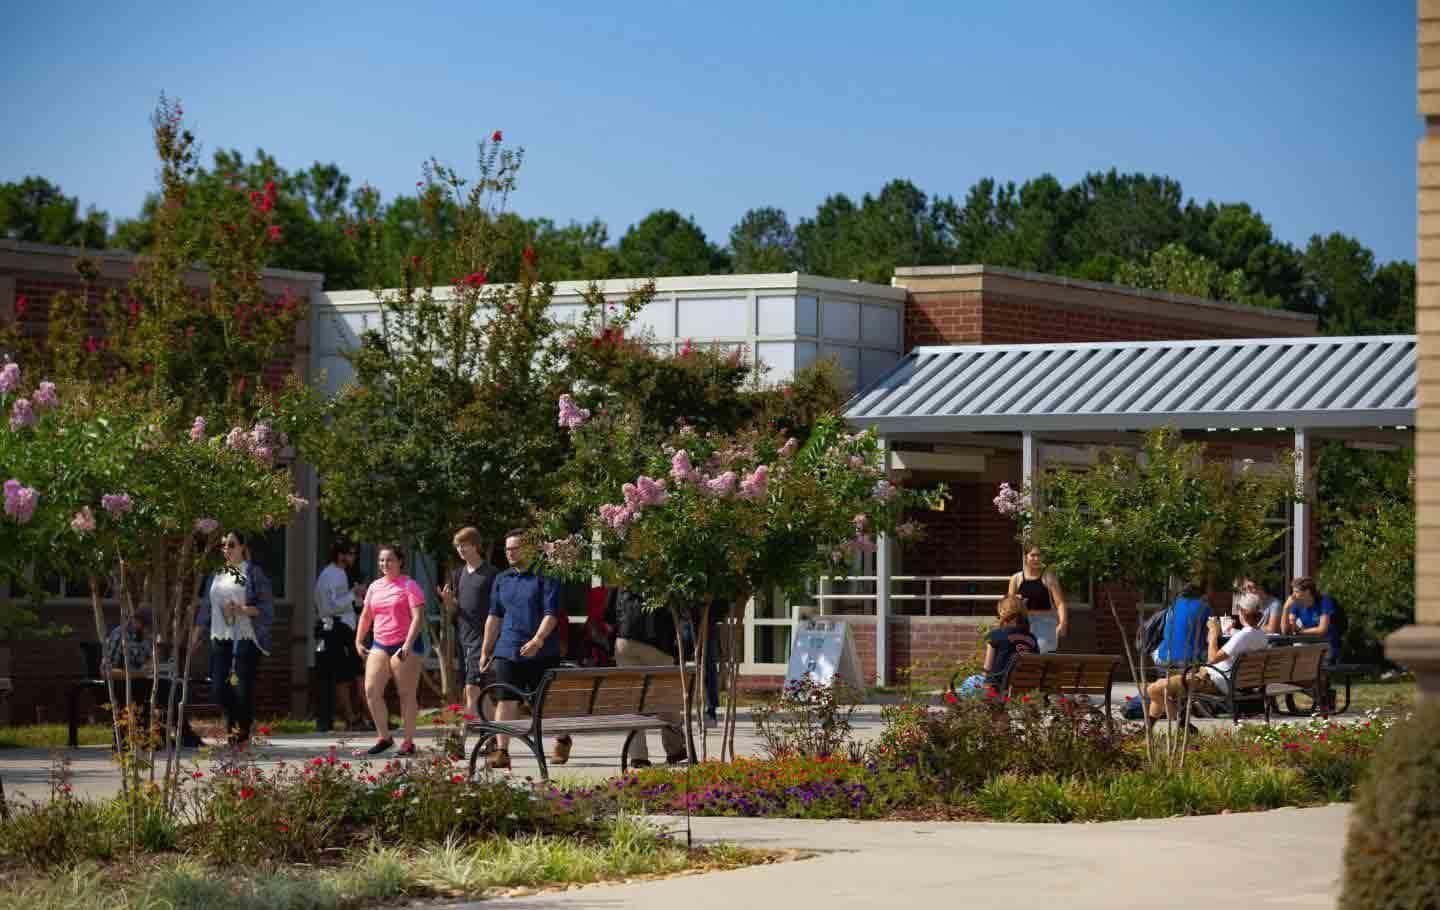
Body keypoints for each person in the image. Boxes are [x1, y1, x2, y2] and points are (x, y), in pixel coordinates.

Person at [477, 530, 573, 770]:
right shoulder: (502, 579)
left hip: (542, 652)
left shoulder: (546, 576)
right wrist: (486, 650)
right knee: (505, 700)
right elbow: (494, 616)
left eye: (515, 548)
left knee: (546, 703)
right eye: (507, 549)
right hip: (508, 650)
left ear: (529, 549)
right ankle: (502, 751)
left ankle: (562, 738)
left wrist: (538, 640)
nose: (510, 553)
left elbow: (551, 615)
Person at [191, 530, 274, 748]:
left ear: (242, 548)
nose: (226, 549)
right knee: (219, 688)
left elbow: (267, 609)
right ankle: (240, 723)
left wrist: (242, 609)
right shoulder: (217, 574)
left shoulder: (253, 573)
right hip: (220, 635)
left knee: (239, 685)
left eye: (231, 544)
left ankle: (239, 734)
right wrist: (196, 636)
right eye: (223, 545)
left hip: (246, 636)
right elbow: (206, 609)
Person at [1147, 592, 1269, 728]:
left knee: (1154, 689)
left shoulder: (1242, 637)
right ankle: (1147, 731)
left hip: (1213, 681)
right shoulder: (1261, 636)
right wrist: (1229, 632)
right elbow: (1242, 640)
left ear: (1243, 612)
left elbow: (1212, 659)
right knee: (1160, 685)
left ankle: (1183, 725)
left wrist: (1212, 635)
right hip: (1233, 681)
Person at [355, 544, 426, 756]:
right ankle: (385, 737)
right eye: (381, 561)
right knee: (371, 691)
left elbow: (418, 618)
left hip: (405, 644)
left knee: (406, 694)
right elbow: (366, 615)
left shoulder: (409, 585)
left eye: (389, 560)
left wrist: (407, 645)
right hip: (380, 643)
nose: (385, 564)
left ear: (400, 562)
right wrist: (358, 640)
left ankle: (408, 742)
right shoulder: (375, 587)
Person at [605, 587, 686, 767]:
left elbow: (609, 615)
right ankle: (675, 749)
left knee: (633, 699)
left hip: (626, 641)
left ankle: (638, 756)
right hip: (658, 642)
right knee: (665, 697)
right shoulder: (666, 578)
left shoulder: (625, 577)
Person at [104, 608, 204, 748]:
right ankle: (140, 736)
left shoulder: (144, 637)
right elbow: (106, 671)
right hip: (119, 684)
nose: (148, 631)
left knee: (169, 688)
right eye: (146, 627)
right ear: (136, 621)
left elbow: (147, 663)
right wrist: (137, 673)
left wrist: (153, 661)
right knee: (145, 689)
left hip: (139, 681)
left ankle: (182, 734)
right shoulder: (119, 635)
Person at [438, 527, 499, 720]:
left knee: (472, 689)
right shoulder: (458, 574)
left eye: (464, 545)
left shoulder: (491, 574)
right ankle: (490, 735)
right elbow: (455, 611)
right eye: (457, 546)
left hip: (482, 639)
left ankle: (461, 738)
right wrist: (448, 602)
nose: (460, 549)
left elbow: (498, 610)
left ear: (475, 546)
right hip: (463, 639)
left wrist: (490, 644)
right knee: (477, 691)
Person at [313, 540, 366, 733]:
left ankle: (362, 716)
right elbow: (329, 607)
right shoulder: (328, 575)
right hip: (333, 629)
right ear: (339, 554)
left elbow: (351, 604)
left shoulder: (344, 573)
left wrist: (358, 597)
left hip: (347, 628)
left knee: (354, 673)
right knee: (334, 675)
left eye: (354, 553)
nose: (353, 558)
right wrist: (353, 595)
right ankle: (332, 720)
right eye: (349, 553)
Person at [1007, 545, 1068, 652]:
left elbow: (1060, 603)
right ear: (1025, 557)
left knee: (1043, 658)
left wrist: (1062, 623)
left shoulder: (1049, 577)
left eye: (1039, 555)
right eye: (1033, 555)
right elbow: (1009, 605)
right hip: (1023, 624)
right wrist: (1017, 601)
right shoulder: (1016, 578)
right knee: (1022, 659)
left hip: (1045, 623)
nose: (1036, 559)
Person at [1283, 576, 1343, 666]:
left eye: (1296, 592)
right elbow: (1285, 631)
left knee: (1317, 672)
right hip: (1310, 643)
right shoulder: (1297, 603)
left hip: (1327, 644)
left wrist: (1301, 631)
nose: (1293, 595)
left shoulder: (1324, 601)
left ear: (1307, 592)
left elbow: (1322, 630)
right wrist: (1286, 608)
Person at [983, 595, 1039, 687]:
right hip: (1024, 686)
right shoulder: (1032, 638)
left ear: (1002, 612)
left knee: (963, 686)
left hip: (997, 686)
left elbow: (987, 668)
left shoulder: (995, 635)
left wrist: (984, 684)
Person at [1152, 583, 1210, 668]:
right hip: (1191, 661)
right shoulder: (1204, 607)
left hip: (1164, 658)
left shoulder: (1173, 606)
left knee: (1156, 651)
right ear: (1201, 595)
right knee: (1213, 654)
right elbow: (1211, 634)